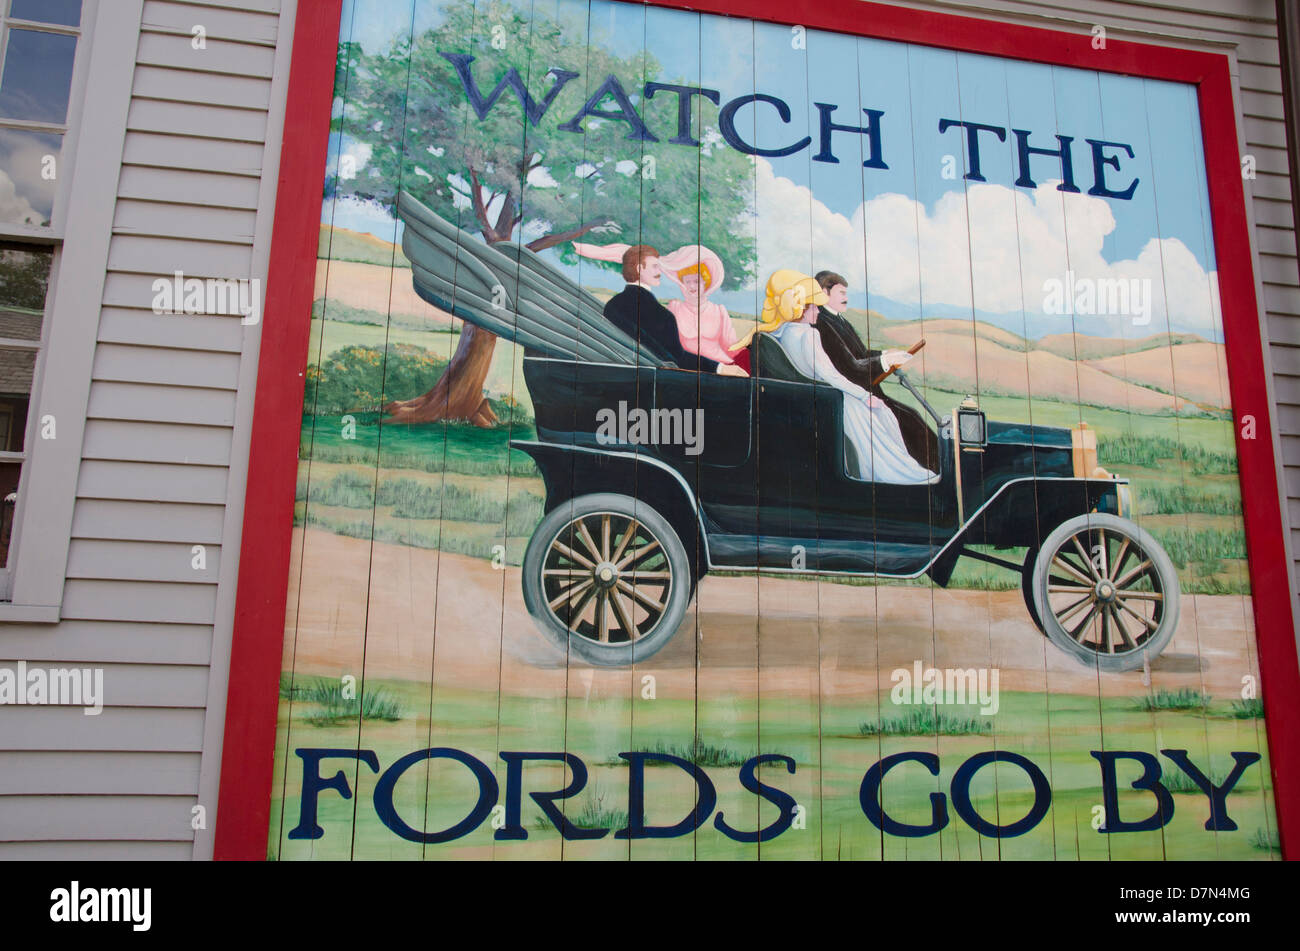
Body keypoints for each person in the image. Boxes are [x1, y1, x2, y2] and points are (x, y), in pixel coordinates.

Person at [731, 269, 938, 485]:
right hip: (833, 399)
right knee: (883, 415)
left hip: (820, 397)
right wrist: (863, 396)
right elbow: (831, 375)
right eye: (813, 306)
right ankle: (900, 475)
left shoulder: (781, 333)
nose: (818, 311)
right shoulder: (810, 335)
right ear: (801, 307)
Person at [812, 270, 941, 472]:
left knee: (911, 416)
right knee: (908, 419)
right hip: (854, 394)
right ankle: (933, 472)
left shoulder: (840, 320)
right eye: (841, 293)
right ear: (824, 293)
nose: (846, 299)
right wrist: (884, 361)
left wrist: (886, 353)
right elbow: (850, 367)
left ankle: (935, 469)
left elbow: (861, 354)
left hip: (868, 389)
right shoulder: (823, 323)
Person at [575, 241, 748, 375]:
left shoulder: (612, 306)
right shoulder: (661, 315)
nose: (660, 271)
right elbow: (676, 357)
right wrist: (720, 368)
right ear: (639, 268)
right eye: (655, 266)